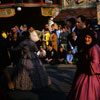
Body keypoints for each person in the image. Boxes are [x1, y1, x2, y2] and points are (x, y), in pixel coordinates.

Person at [67, 29, 100, 100]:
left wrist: (84, 65)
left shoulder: (93, 48)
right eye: (86, 37)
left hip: (90, 75)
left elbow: (95, 62)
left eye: (89, 38)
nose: (87, 39)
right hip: (85, 73)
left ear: (92, 38)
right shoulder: (88, 47)